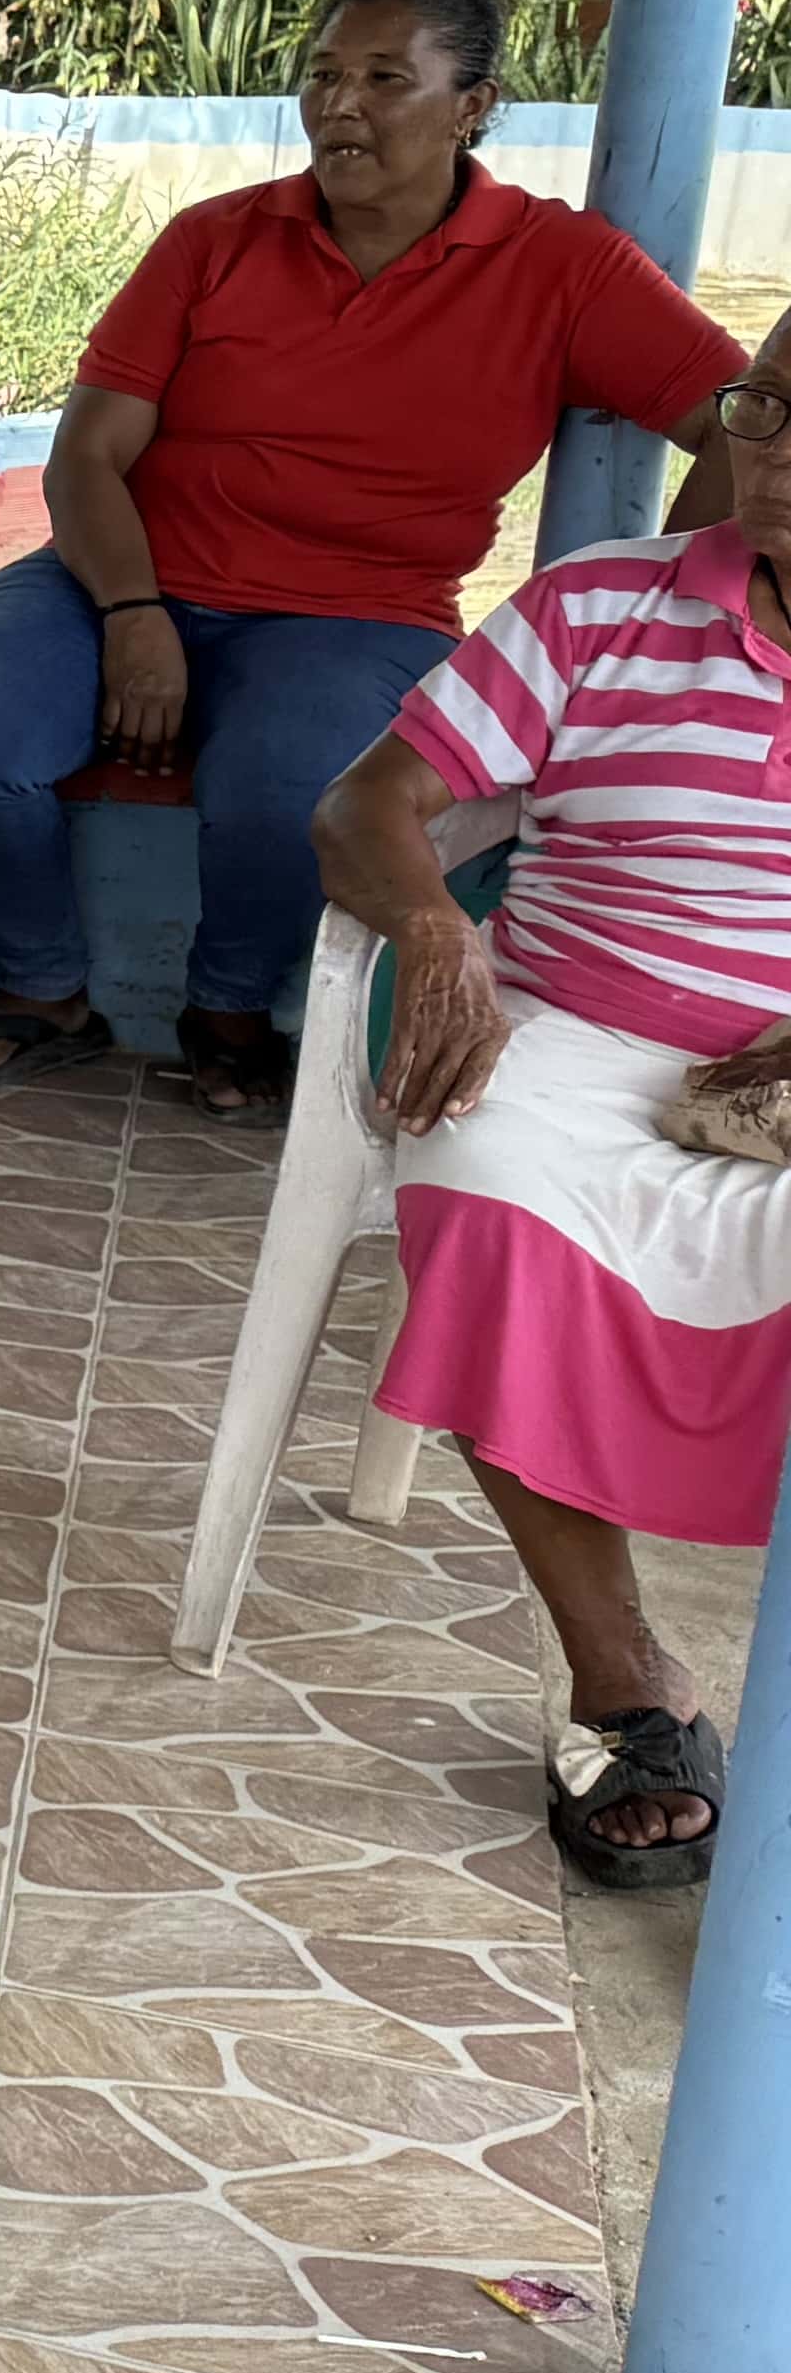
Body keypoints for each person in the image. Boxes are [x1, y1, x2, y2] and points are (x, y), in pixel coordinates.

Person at [0, 0, 761, 1122]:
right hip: (118, 580)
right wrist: (134, 615)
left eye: (386, 79)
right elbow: (86, 457)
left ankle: (231, 1010)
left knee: (298, 785)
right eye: (324, 75)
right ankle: (42, 989)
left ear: (473, 106)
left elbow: (748, 419)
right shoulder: (215, 240)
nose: (340, 105)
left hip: (361, 611)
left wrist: (677, 601)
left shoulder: (564, 267)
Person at [314, 328, 791, 1889]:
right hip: (573, 1031)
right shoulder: (602, 604)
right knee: (493, 1204)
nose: (777, 447)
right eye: (766, 406)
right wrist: (439, 931)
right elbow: (369, 802)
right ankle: (623, 1677)